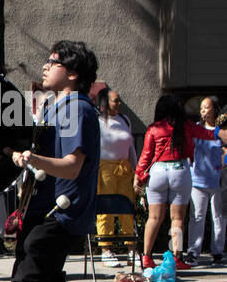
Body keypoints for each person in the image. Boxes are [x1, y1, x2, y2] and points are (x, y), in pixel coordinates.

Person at [12, 41, 103, 282]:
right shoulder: (56, 107)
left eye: (54, 62)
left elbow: (72, 166)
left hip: (62, 212)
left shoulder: (77, 109)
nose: (46, 66)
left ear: (74, 73)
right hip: (44, 208)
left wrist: (32, 159)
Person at [133, 95, 223, 270]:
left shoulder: (154, 129)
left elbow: (146, 155)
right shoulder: (187, 126)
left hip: (158, 171)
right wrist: (221, 130)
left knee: (154, 217)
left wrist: (138, 175)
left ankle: (146, 257)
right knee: (177, 219)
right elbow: (208, 134)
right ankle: (176, 257)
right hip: (180, 170)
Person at [94, 86, 138, 268]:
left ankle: (131, 250)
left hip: (124, 168)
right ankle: (106, 250)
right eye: (115, 100)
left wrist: (137, 172)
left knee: (127, 209)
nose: (119, 103)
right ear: (105, 103)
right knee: (106, 209)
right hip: (105, 169)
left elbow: (131, 148)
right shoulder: (97, 121)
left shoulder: (125, 120)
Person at [187, 96, 225, 266]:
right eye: (201, 108)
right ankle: (193, 252)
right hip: (198, 181)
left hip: (218, 181)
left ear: (215, 109)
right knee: (197, 217)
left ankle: (217, 252)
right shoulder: (195, 129)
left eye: (206, 107)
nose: (203, 110)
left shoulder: (221, 131)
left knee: (219, 217)